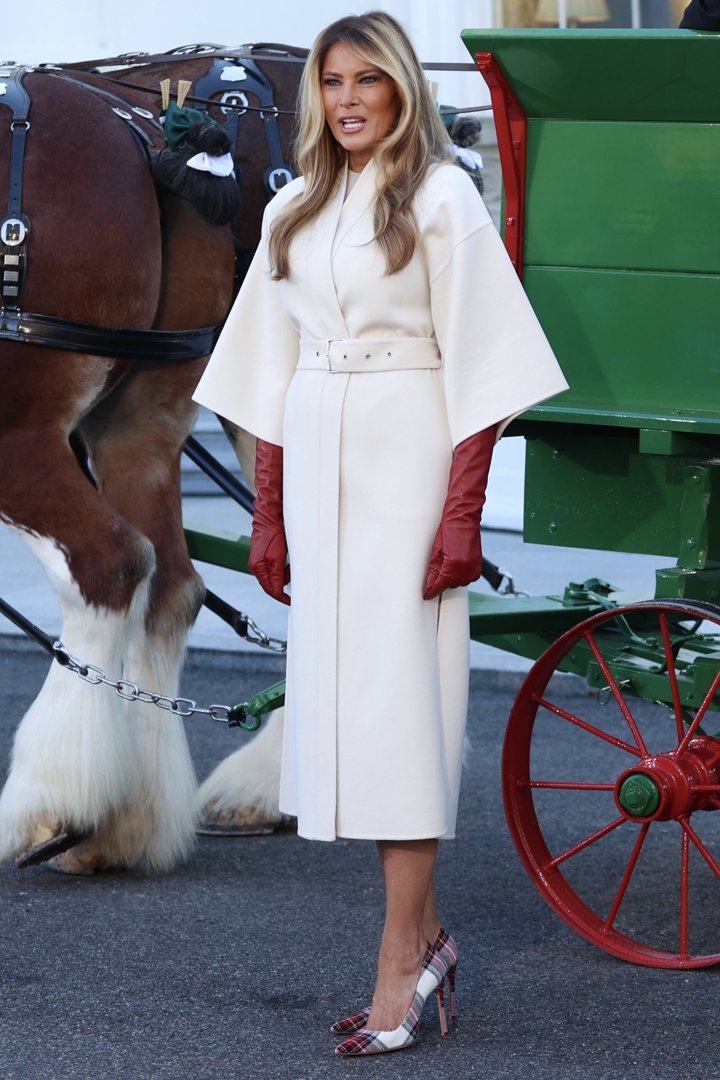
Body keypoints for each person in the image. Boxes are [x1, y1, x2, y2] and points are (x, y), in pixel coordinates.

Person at [193, 10, 568, 1057]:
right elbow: (263, 377)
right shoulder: (294, 212)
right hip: (316, 458)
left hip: (409, 455)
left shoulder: (444, 199)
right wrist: (267, 514)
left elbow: (486, 377)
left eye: (368, 80)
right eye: (332, 82)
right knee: (346, 718)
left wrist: (460, 522)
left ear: (402, 90)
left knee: (402, 712)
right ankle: (432, 938)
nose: (348, 99)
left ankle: (401, 960)